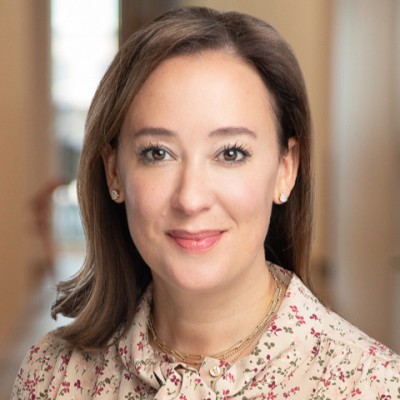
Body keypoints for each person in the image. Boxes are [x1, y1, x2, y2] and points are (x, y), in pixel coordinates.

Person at [12, 7, 399, 399]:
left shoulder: (371, 387)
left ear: (287, 168)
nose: (191, 198)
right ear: (114, 172)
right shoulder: (50, 376)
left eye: (230, 153)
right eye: (158, 153)